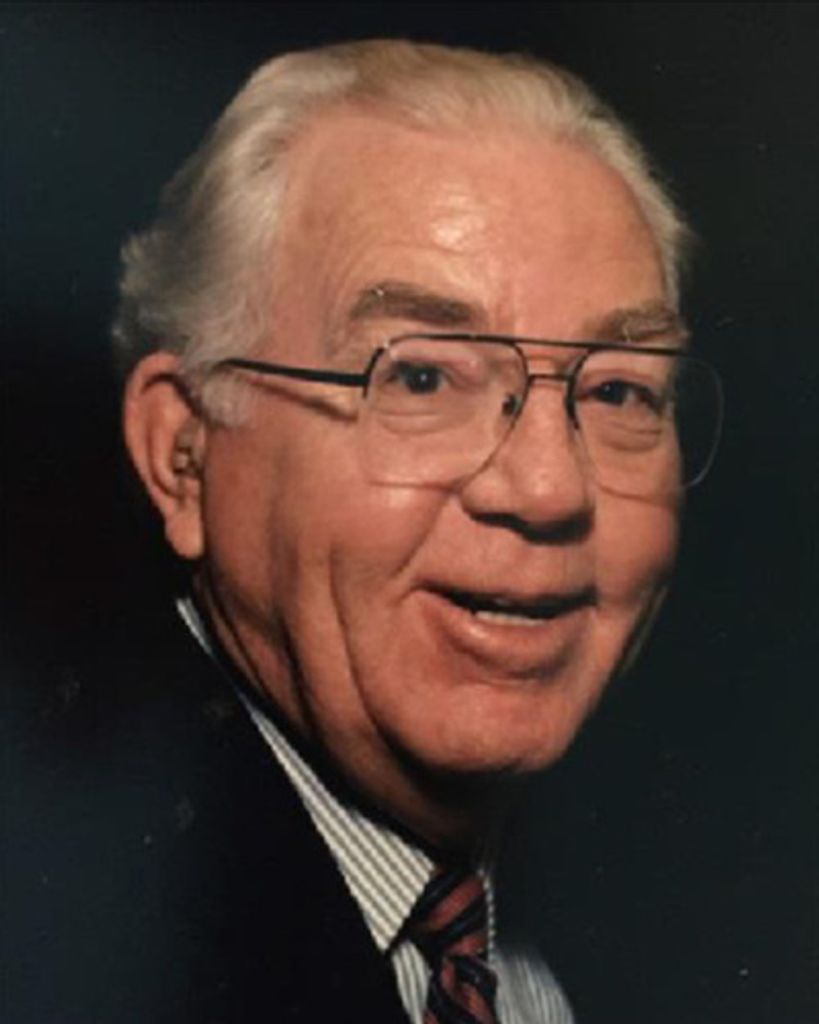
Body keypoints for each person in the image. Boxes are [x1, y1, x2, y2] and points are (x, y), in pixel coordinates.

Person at [3, 39, 722, 1023]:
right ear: (182, 453)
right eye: (421, 378)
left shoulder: (634, 938)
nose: (550, 487)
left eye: (617, 391)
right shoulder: (70, 933)